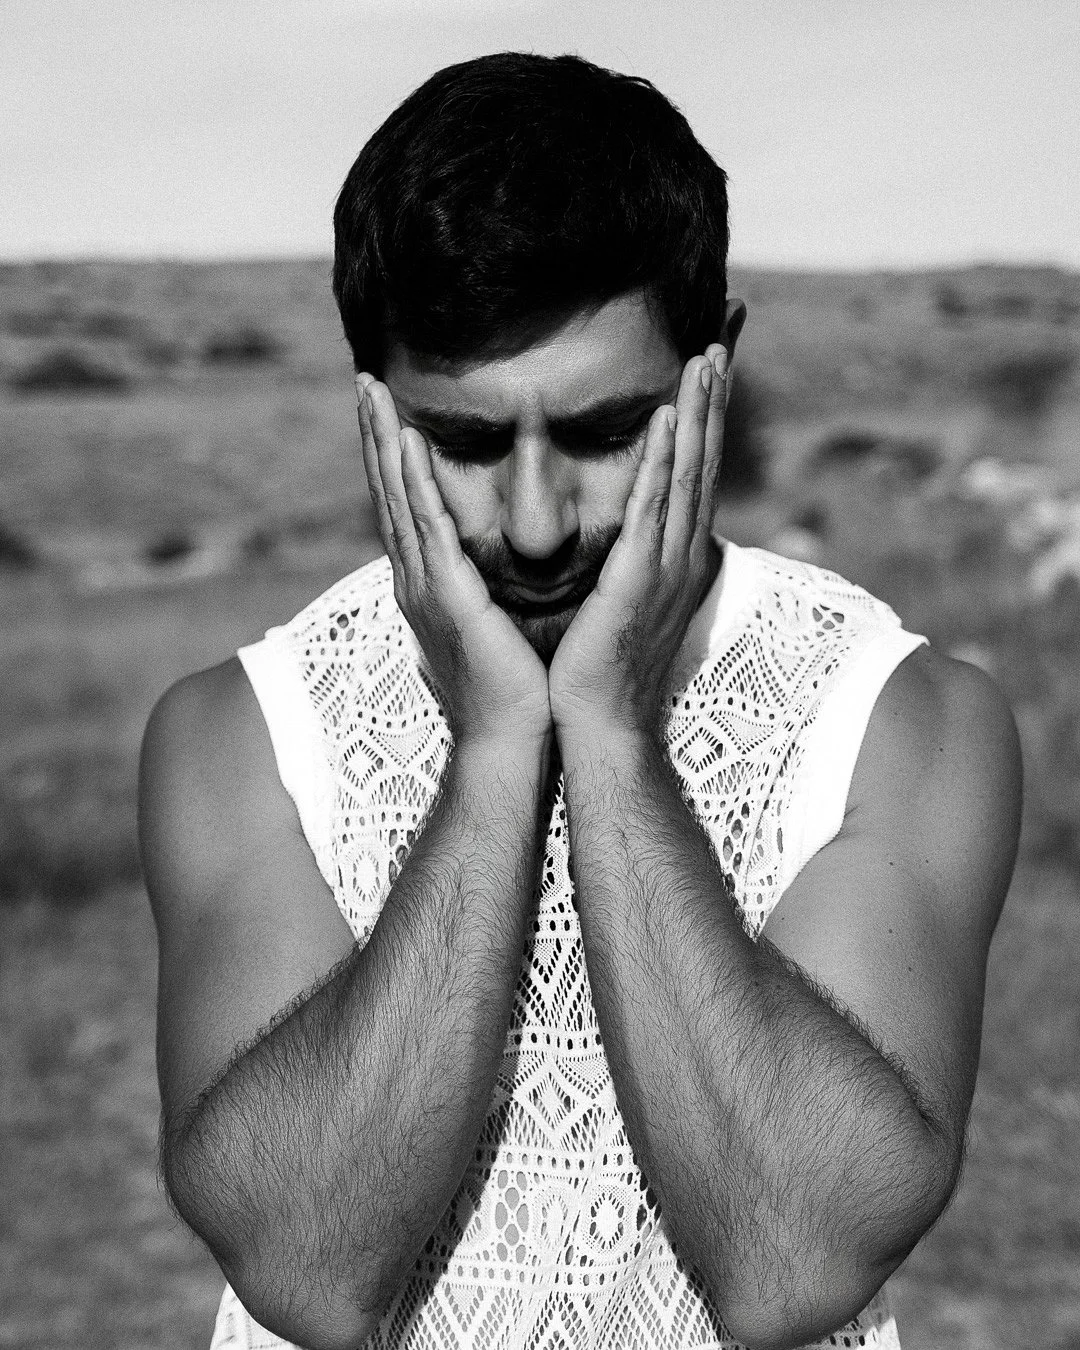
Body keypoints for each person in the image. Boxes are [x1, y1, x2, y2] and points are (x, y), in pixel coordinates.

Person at [138, 52, 1022, 1350]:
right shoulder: (240, 734)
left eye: (608, 434)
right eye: (465, 442)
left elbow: (789, 1263)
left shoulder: (902, 721)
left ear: (718, 373)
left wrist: (611, 738)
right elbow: (310, 1271)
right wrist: (496, 753)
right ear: (371, 406)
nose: (538, 523)